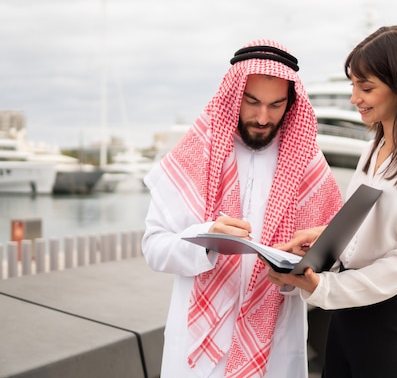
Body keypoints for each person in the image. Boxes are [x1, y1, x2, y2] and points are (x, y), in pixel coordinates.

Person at [266, 25, 397, 378]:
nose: (355, 98)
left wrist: (325, 287)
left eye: (366, 87)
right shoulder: (374, 147)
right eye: (353, 86)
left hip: (393, 324)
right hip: (346, 321)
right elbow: (368, 226)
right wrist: (319, 240)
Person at [142, 39, 344, 378]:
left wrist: (302, 265)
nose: (262, 117)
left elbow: (333, 259)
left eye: (276, 105)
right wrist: (205, 238)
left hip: (275, 346)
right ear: (234, 94)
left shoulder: (310, 168)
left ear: (290, 104)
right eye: (251, 102)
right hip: (197, 350)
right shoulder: (194, 155)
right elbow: (153, 248)